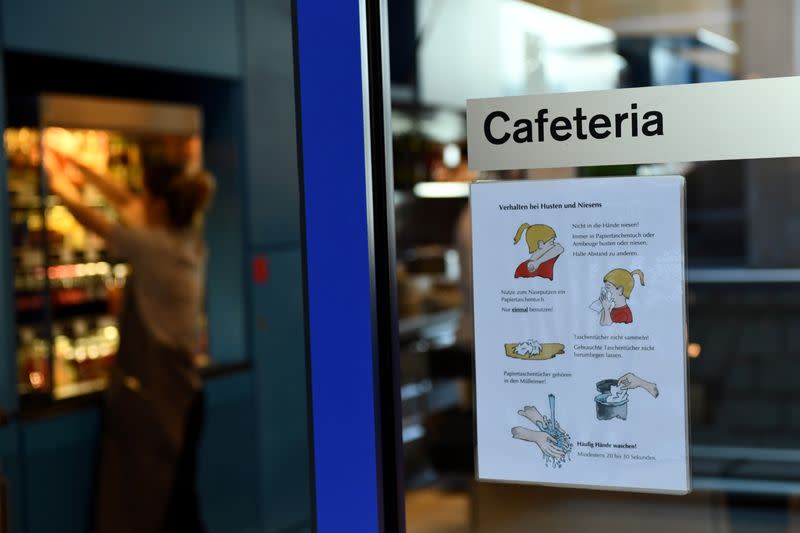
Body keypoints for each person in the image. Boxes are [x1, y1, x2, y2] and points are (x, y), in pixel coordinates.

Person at [43, 134, 214, 533]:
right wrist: (81, 167)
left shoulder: (152, 247)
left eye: (146, 197)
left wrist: (56, 184)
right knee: (179, 498)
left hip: (161, 399)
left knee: (161, 505)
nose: (138, 201)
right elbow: (123, 200)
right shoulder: (185, 239)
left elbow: (100, 220)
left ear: (158, 205)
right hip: (187, 394)